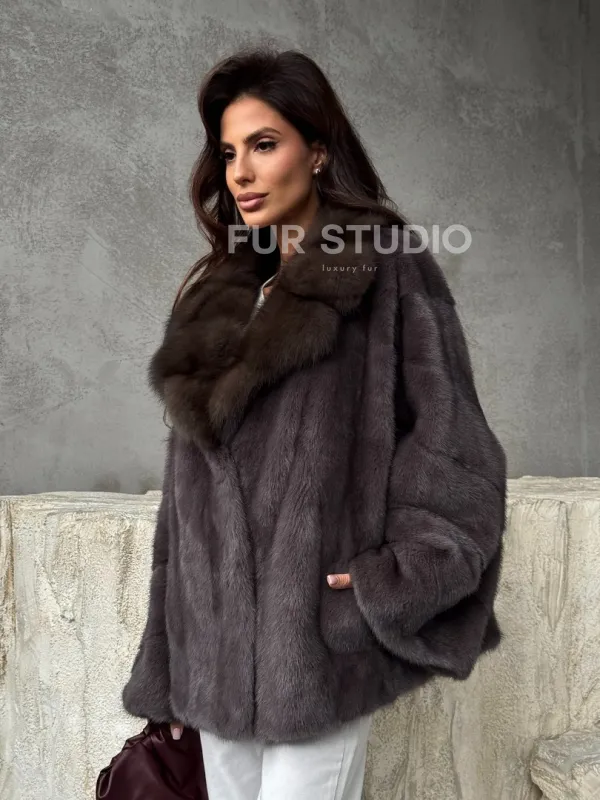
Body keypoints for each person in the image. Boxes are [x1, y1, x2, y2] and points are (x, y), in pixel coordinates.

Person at [121, 47, 508, 799]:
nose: (240, 172)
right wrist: (168, 657)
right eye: (228, 152)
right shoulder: (217, 296)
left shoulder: (386, 269)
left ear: (318, 151)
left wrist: (391, 580)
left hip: (317, 646)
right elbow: (186, 503)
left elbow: (453, 446)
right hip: (211, 654)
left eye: (264, 145)